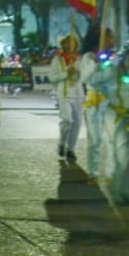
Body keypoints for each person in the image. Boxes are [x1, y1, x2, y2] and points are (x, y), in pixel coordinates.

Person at [88, 46, 129, 205]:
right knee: (124, 156)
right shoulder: (112, 73)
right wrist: (99, 70)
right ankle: (116, 191)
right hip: (118, 118)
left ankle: (126, 191)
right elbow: (91, 80)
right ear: (124, 60)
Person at [79, 28, 116, 183]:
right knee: (95, 139)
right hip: (93, 103)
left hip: (110, 103)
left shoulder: (113, 57)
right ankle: (93, 173)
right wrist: (96, 65)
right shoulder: (88, 57)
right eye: (109, 37)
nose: (112, 40)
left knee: (113, 139)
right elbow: (86, 78)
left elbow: (112, 78)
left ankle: (110, 173)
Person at [48, 34, 83, 163]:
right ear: (64, 44)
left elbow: (85, 77)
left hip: (78, 94)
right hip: (64, 94)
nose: (71, 45)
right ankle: (62, 142)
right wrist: (65, 74)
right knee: (67, 120)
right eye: (69, 42)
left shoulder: (80, 59)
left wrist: (79, 71)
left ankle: (71, 149)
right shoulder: (58, 59)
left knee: (77, 123)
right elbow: (52, 77)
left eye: (74, 43)